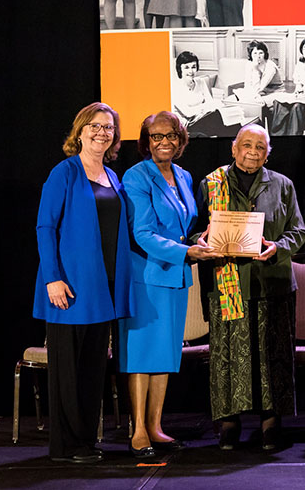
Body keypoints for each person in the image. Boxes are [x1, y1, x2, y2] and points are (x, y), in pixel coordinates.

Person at [195, 124, 305, 450]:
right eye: (247, 145)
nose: (253, 152)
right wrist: (200, 241)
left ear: (268, 152)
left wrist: (277, 247)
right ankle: (228, 424)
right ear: (234, 148)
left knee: (273, 356)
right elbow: (192, 232)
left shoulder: (282, 185)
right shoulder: (211, 184)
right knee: (228, 358)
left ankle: (271, 423)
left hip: (272, 285)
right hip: (228, 285)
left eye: (260, 147)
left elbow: (298, 232)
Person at [33, 102, 132, 463]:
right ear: (79, 131)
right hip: (70, 288)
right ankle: (67, 446)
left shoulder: (112, 176)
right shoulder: (65, 172)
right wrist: (53, 278)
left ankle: (86, 442)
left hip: (103, 288)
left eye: (108, 128)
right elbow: (45, 227)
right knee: (68, 372)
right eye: (94, 125)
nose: (101, 132)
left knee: (92, 371)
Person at [119, 112, 216, 458]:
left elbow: (184, 224)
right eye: (156, 136)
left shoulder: (184, 175)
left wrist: (199, 239)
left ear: (180, 140)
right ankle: (138, 430)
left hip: (176, 277)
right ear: (146, 141)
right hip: (147, 276)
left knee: (165, 355)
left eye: (171, 136)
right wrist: (186, 250)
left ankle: (157, 425)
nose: (164, 142)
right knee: (142, 357)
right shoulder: (136, 176)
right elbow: (142, 233)